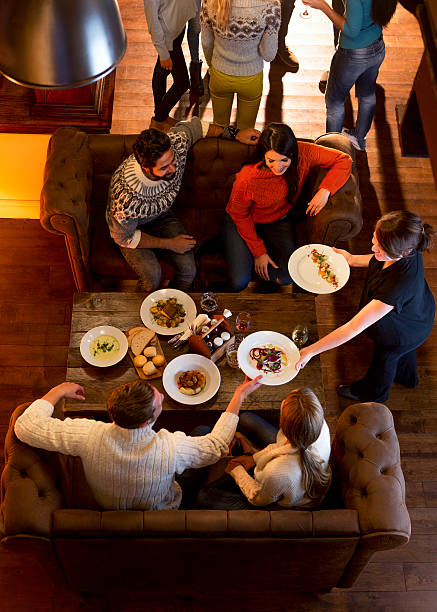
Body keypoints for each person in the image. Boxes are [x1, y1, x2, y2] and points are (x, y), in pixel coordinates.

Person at [14, 376, 263, 511]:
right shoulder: (170, 448)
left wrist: (58, 390)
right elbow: (218, 445)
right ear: (146, 422)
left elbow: (25, 426)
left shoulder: (86, 434)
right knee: (202, 431)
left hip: (107, 505)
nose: (163, 396)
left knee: (200, 434)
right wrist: (239, 395)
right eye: (159, 402)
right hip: (161, 510)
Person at [106, 116, 260, 292]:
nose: (173, 168)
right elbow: (124, 238)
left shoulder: (175, 144)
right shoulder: (125, 198)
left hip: (161, 216)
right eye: (164, 168)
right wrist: (170, 243)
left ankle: (172, 305)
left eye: (172, 161)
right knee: (152, 277)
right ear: (146, 167)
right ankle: (144, 312)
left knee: (188, 270)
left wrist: (234, 133)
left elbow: (197, 126)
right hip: (130, 231)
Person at [296, 210, 435, 403]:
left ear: (404, 252)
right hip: (418, 311)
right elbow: (375, 257)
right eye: (374, 240)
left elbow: (353, 327)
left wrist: (310, 351)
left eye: (381, 248)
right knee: (402, 353)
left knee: (384, 362)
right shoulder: (409, 241)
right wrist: (351, 259)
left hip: (402, 330)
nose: (373, 247)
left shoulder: (397, 286)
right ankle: (408, 378)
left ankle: (372, 394)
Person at [223, 122, 352, 291]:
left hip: (277, 220)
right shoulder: (247, 179)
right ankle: (236, 247)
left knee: (286, 276)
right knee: (240, 280)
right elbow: (238, 214)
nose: (278, 167)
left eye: (284, 160)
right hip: (241, 220)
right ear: (263, 155)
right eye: (271, 160)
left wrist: (325, 190)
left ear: (292, 153)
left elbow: (343, 159)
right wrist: (259, 252)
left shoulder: (304, 152)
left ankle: (248, 252)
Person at [197, 387, 331, 509]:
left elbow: (258, 498)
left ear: (283, 423)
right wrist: (254, 459)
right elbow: (281, 446)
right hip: (284, 473)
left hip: (278, 501)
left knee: (204, 497)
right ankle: (249, 449)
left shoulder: (277, 473)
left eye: (284, 404)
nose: (283, 402)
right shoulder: (315, 423)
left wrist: (237, 471)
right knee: (245, 419)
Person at [303, 0, 398, 151]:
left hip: (353, 54)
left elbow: (351, 30)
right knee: (367, 94)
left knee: (334, 101)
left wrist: (323, 6)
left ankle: (332, 149)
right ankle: (359, 139)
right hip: (377, 45)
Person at [201, 0, 280, 130]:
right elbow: (268, 55)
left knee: (219, 128)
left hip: (219, 74)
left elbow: (206, 42)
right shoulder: (271, 5)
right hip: (251, 78)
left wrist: (213, 66)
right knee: (246, 131)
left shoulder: (209, 1)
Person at [144, 0, 198, 132]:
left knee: (161, 71)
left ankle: (161, 117)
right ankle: (159, 119)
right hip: (168, 38)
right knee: (182, 83)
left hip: (176, 30)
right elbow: (152, 19)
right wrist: (163, 52)